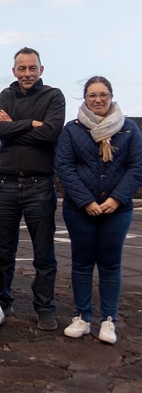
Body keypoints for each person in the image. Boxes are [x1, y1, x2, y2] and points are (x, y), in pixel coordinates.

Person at [55, 76, 142, 344]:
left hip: (118, 210)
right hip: (79, 209)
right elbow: (65, 167)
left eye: (103, 94)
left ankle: (108, 320)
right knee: (81, 263)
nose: (98, 100)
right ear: (85, 99)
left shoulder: (129, 129)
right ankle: (82, 316)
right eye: (92, 95)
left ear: (111, 96)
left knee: (110, 264)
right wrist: (86, 201)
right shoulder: (72, 130)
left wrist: (116, 198)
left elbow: (136, 167)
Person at [0, 47, 65, 331]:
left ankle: (44, 307)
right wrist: (30, 124)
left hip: (39, 184)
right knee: (3, 252)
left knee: (44, 253)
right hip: (5, 184)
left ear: (41, 70)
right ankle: (4, 300)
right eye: (22, 68)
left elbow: (50, 133)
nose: (27, 73)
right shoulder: (5, 95)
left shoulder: (53, 96)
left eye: (32, 68)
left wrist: (14, 128)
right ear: (14, 71)